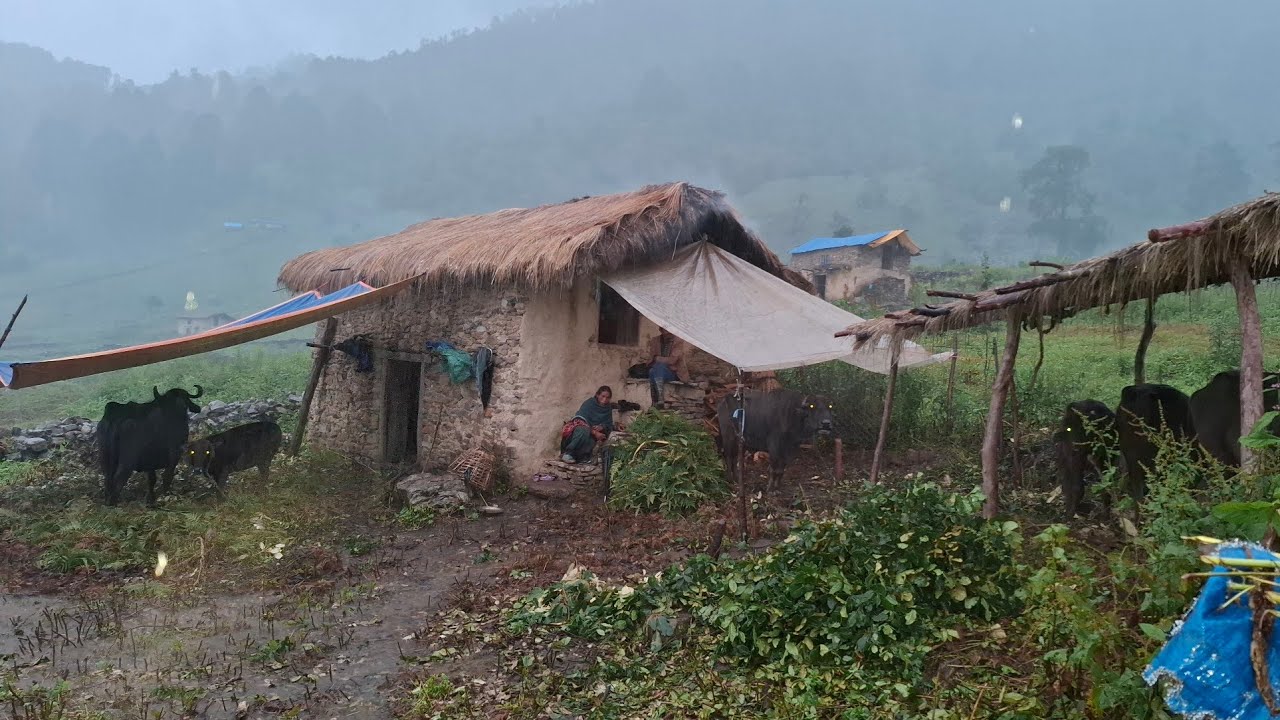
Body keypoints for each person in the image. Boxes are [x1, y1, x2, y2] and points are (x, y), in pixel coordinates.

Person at [560, 385, 616, 464]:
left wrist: (601, 427)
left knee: (593, 439)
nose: (604, 399)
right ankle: (568, 453)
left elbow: (608, 424)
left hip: (593, 434)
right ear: (597, 395)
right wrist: (594, 432)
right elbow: (579, 420)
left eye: (607, 397)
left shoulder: (608, 408)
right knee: (583, 431)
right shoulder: (589, 404)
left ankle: (582, 458)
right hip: (576, 434)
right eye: (602, 396)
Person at [647, 327, 688, 408]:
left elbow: (672, 360)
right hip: (658, 371)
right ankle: (656, 399)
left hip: (674, 372)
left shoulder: (678, 341)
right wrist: (657, 360)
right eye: (664, 330)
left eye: (669, 330)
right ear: (661, 330)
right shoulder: (655, 340)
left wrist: (658, 358)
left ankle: (658, 398)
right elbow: (651, 358)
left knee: (659, 367)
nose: (667, 333)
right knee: (652, 371)